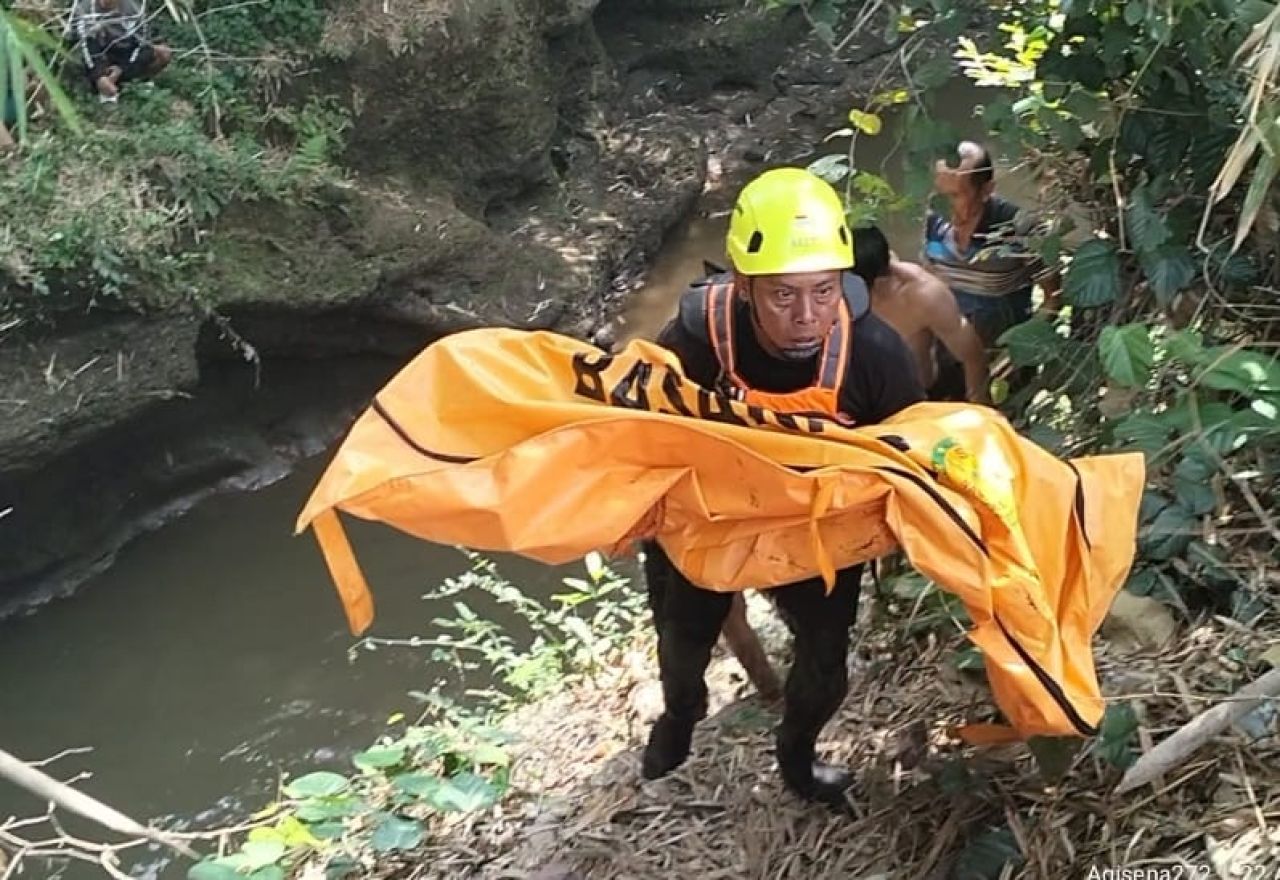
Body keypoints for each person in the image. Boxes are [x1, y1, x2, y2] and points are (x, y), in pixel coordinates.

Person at [640, 167, 926, 808]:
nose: (806, 317)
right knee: (681, 644)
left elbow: (916, 450)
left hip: (813, 528)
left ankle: (797, 758)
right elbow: (642, 429)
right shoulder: (696, 339)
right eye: (782, 296)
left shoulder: (873, 354)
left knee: (825, 667)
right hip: (708, 517)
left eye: (824, 291)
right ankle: (682, 715)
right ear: (743, 286)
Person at [923, 141, 1060, 396]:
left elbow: (1053, 299)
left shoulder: (1020, 229)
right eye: (941, 194)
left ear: (987, 190)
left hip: (1001, 361)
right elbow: (930, 280)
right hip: (949, 353)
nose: (945, 206)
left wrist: (1017, 353)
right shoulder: (935, 220)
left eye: (956, 195)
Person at [852, 224, 991, 404]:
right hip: (863, 391)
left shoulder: (924, 295)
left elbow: (971, 355)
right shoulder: (836, 290)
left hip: (916, 395)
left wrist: (978, 402)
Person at [70, 0, 172, 104]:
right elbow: (84, 46)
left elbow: (143, 43)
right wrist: (98, 75)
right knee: (92, 55)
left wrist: (122, 68)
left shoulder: (134, 10)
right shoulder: (85, 10)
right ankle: (103, 86)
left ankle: (137, 81)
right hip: (100, 55)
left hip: (125, 52)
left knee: (162, 53)